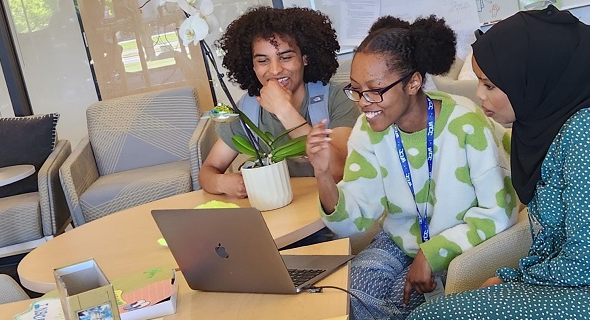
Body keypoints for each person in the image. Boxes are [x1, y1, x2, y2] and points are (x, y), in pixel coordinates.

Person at [408, 6, 590, 319]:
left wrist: (518, 280)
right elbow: (555, 240)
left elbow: (586, 262)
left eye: (490, 85)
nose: (480, 95)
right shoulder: (541, 130)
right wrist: (513, 280)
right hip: (581, 283)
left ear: (533, 79)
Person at [305, 16, 517, 319]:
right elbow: (353, 219)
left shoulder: (465, 123)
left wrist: (432, 254)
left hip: (458, 245)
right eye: (356, 90)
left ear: (413, 83)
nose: (363, 102)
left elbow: (498, 214)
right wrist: (323, 173)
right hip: (398, 241)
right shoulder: (368, 129)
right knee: (349, 294)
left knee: (399, 305)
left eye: (375, 90)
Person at [198, 6, 359, 198]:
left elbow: (339, 170)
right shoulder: (249, 109)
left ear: (305, 58)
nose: (275, 70)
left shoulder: (335, 98)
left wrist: (284, 110)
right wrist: (224, 183)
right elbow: (208, 171)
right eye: (262, 61)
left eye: (286, 57)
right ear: (252, 65)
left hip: (330, 210)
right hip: (279, 211)